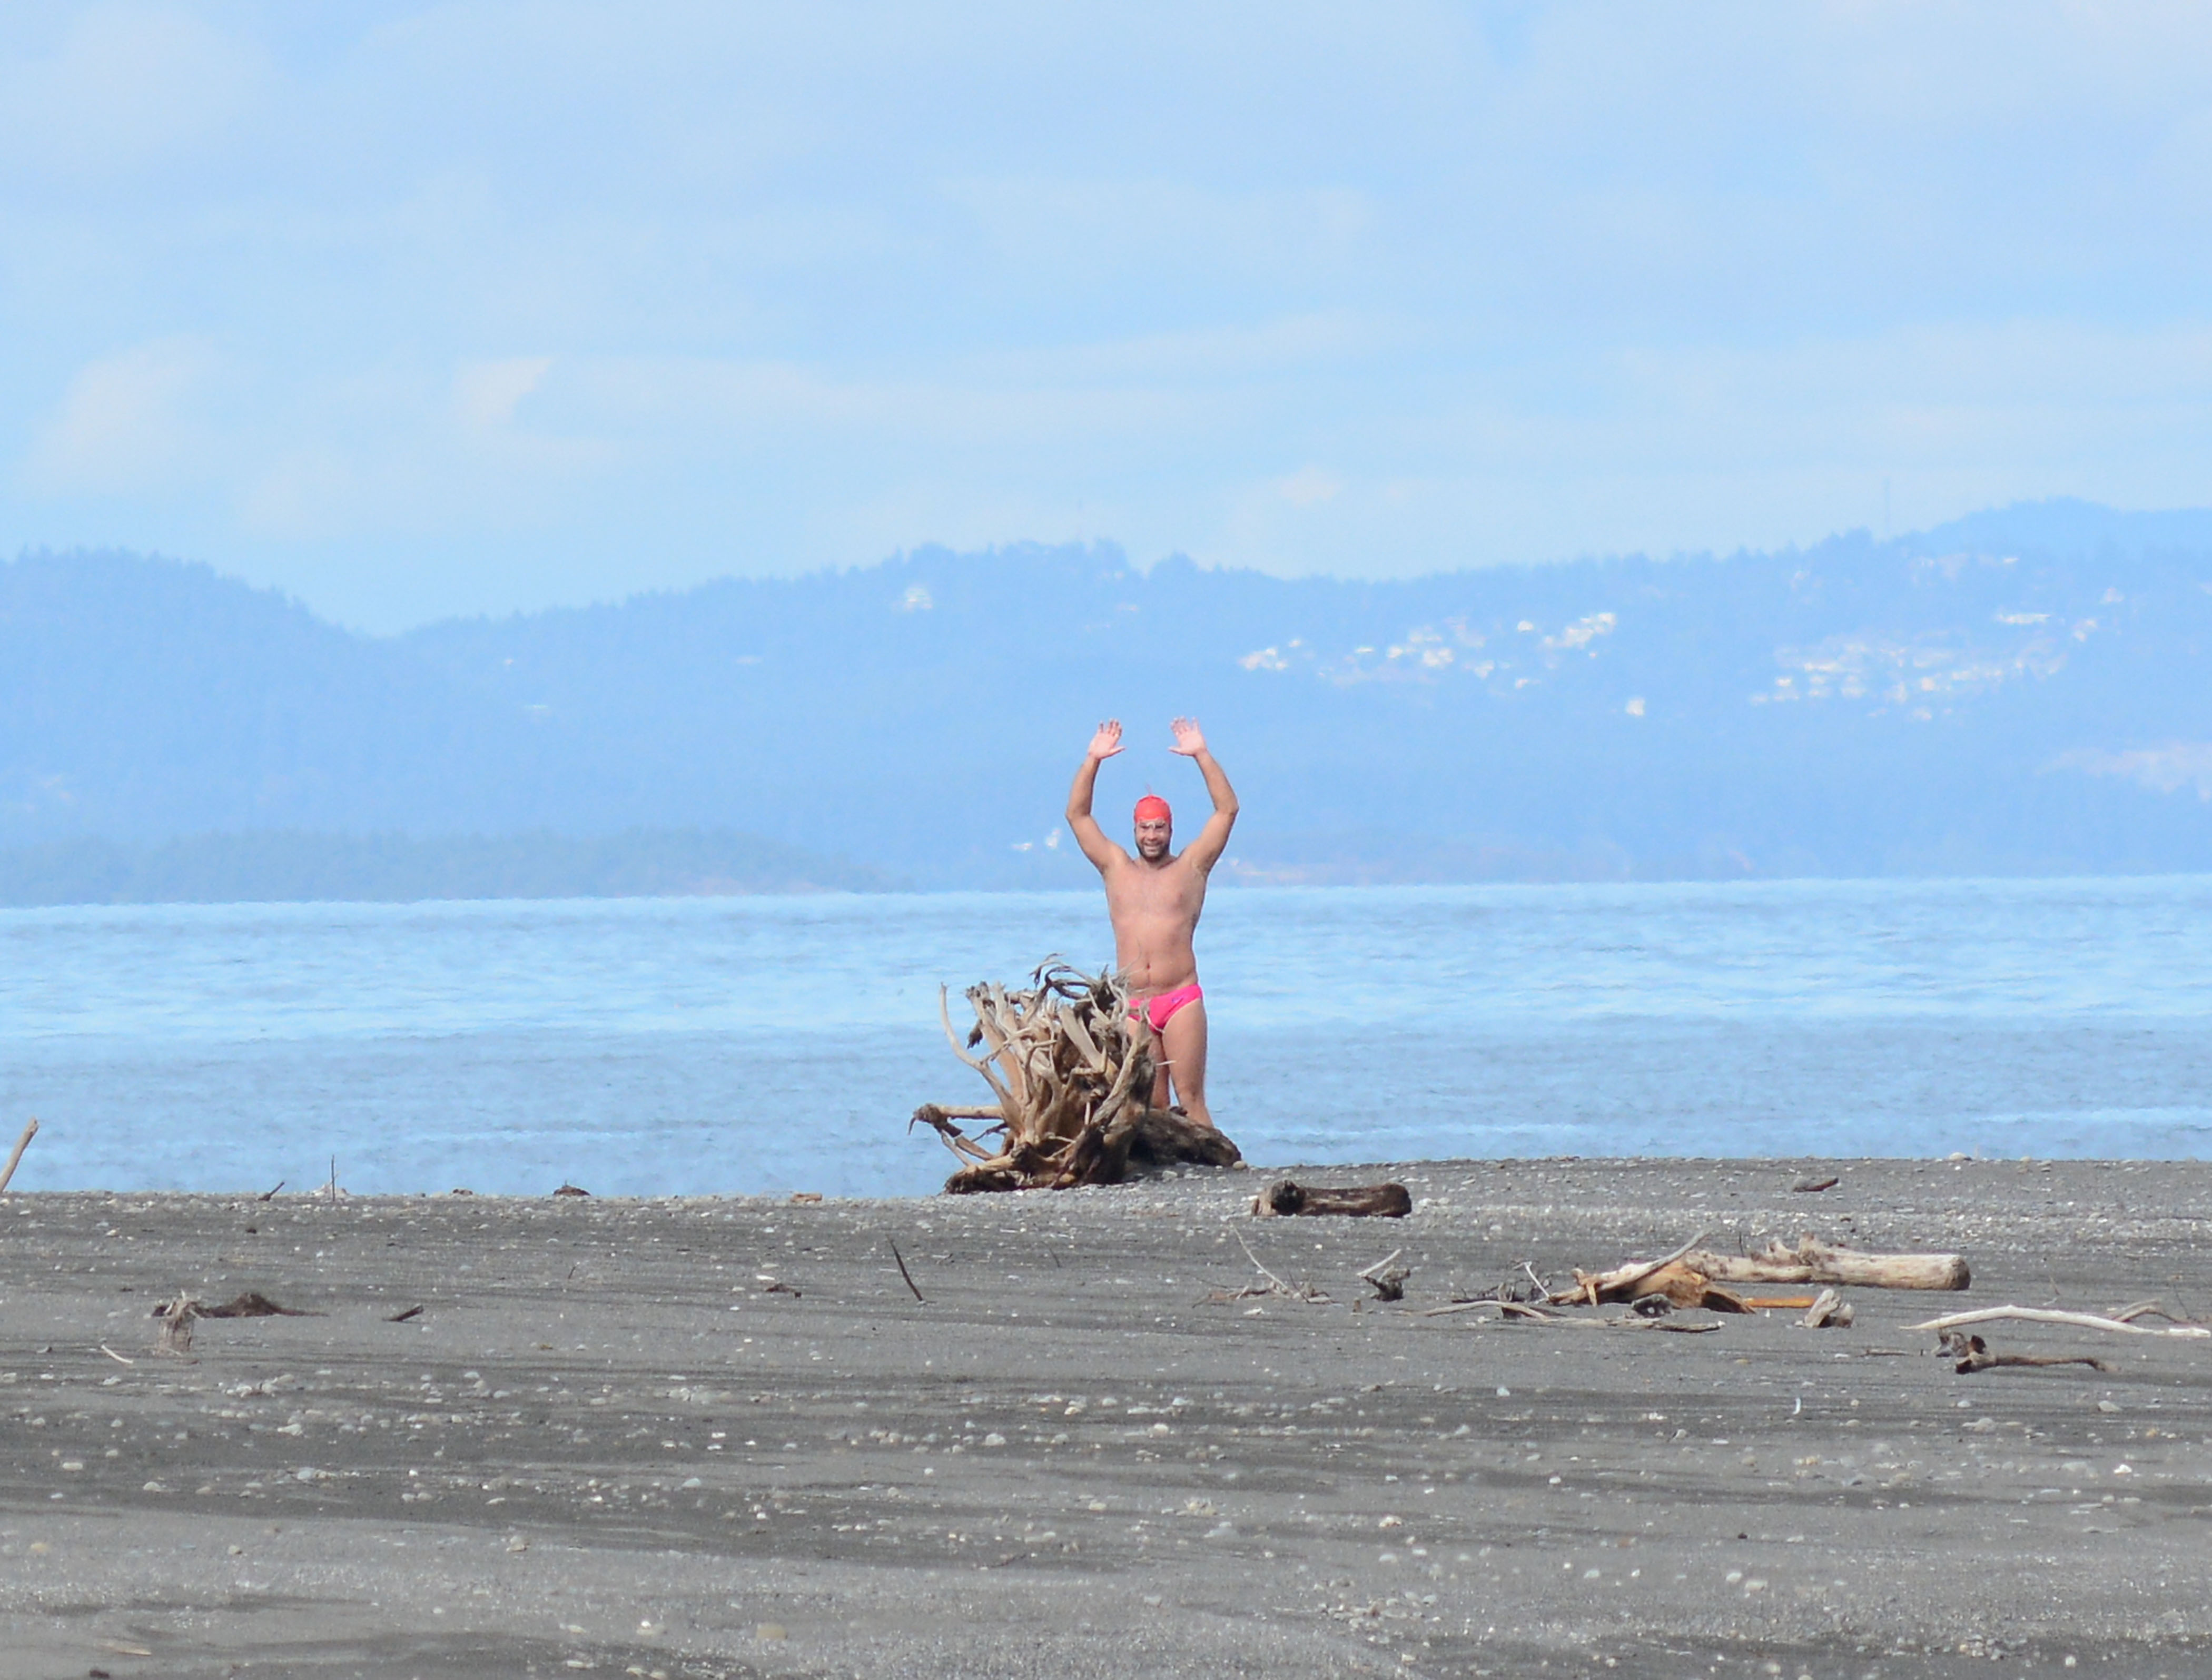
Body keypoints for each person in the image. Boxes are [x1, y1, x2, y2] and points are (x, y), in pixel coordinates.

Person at [1064, 716, 1239, 1128]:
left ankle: (1221, 1170)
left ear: (1170, 829)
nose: (1153, 836)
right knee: (1151, 1106)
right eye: (1146, 828)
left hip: (1180, 997)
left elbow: (1227, 810)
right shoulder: (1115, 868)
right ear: (1135, 830)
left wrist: (1201, 754)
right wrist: (1093, 760)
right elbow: (1078, 816)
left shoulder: (1193, 868)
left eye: (1160, 828)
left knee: (1191, 1100)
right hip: (1134, 1006)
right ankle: (1167, 1172)